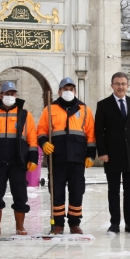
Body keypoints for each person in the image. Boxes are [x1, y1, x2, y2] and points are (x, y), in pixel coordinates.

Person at [0, 81, 38, 236]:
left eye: (13, 94)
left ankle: (20, 227)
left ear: (16, 95)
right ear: (1, 95)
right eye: (7, 94)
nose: (10, 96)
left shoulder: (25, 114)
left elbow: (32, 137)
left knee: (20, 195)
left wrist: (32, 158)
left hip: (18, 161)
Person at [37, 77, 96, 234]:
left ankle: (74, 223)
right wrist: (44, 143)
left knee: (77, 191)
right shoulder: (50, 109)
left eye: (71, 89)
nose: (68, 92)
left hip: (77, 157)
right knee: (56, 191)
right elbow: (41, 130)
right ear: (59, 91)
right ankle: (58, 224)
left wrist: (90, 155)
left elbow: (90, 134)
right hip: (56, 158)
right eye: (65, 89)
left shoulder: (84, 110)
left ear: (75, 91)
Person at [95, 72, 130, 234]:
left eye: (123, 83)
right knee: (113, 191)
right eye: (117, 83)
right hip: (112, 154)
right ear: (112, 85)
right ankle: (115, 223)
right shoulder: (103, 105)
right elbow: (98, 131)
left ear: (128, 85)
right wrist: (102, 152)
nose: (120, 87)